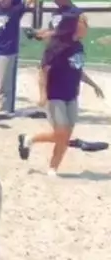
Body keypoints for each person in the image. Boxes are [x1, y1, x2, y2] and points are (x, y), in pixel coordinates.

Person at [18, 12, 103, 175]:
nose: (87, 27)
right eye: (84, 24)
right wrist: (43, 94)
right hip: (55, 94)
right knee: (61, 133)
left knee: (65, 136)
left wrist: (93, 84)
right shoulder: (57, 46)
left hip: (72, 95)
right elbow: (44, 70)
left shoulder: (78, 46)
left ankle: (52, 167)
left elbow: (77, 69)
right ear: (74, 26)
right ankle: (30, 140)